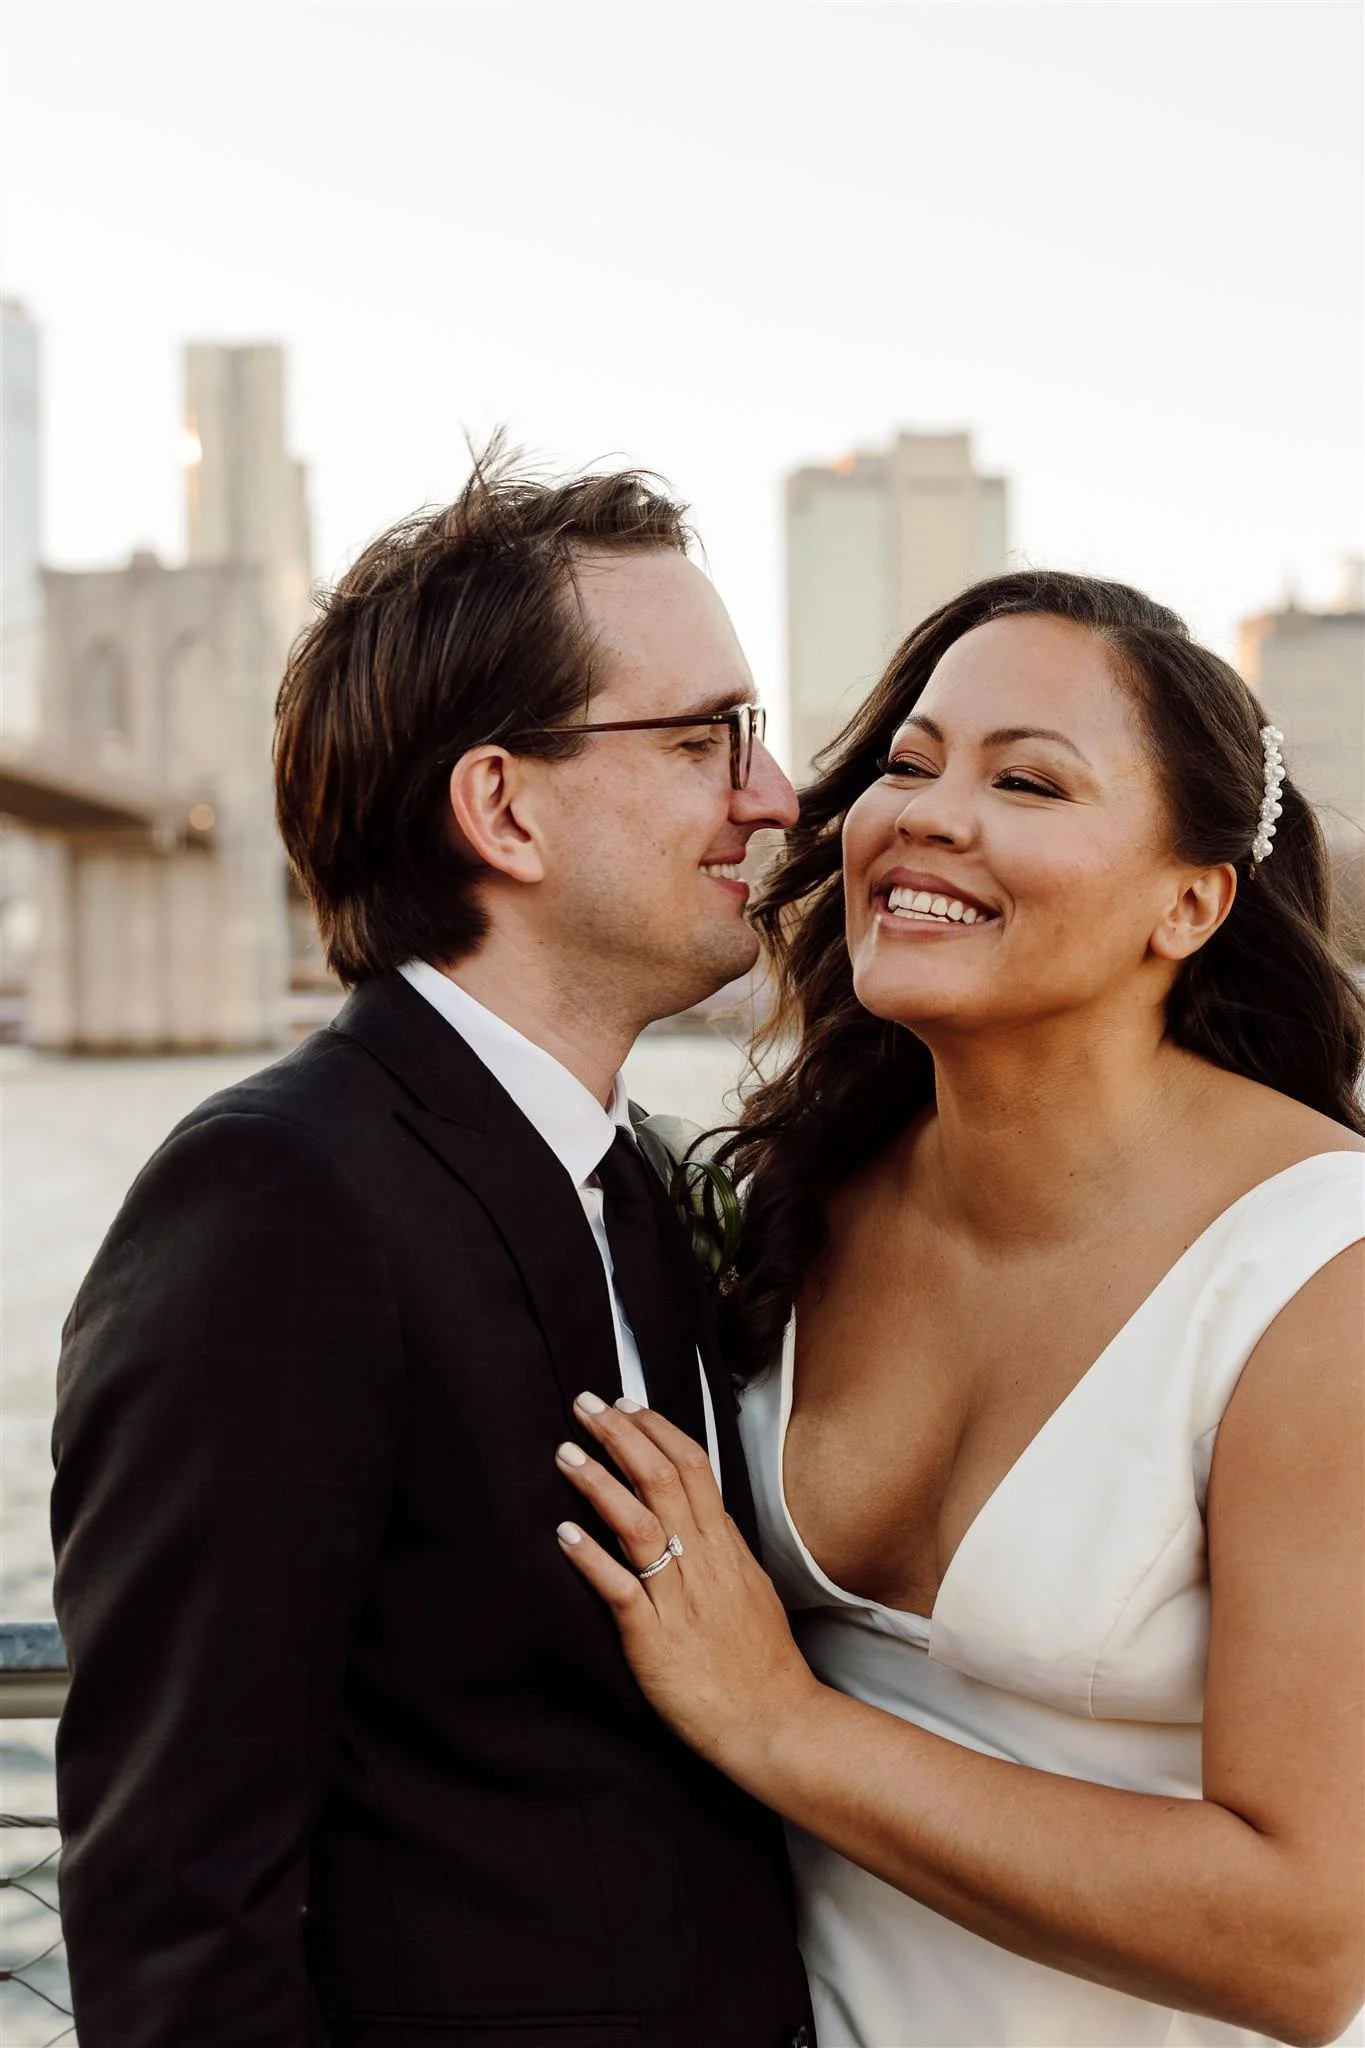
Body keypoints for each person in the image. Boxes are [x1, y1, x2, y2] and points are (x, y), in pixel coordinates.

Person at [50, 454, 816, 2048]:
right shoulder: (273, 1209)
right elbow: (178, 1906)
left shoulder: (652, 1183)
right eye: (702, 741)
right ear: (503, 807)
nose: (773, 795)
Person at [551, 571, 1365, 2048]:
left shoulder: (1321, 1277)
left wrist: (780, 1725)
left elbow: (1307, 1943)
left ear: (1190, 903)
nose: (927, 811)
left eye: (1029, 780)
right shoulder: (805, 1197)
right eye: (911, 763)